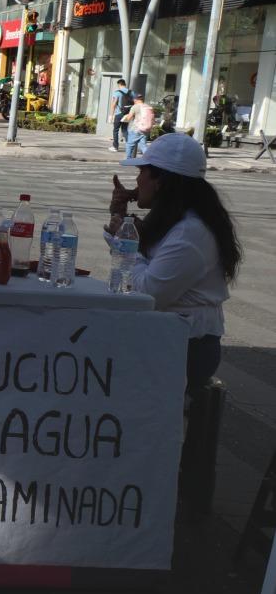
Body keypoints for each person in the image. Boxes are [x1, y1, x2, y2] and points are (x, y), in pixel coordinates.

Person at [108, 133, 241, 389]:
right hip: (167, 337)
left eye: (142, 172)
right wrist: (120, 219)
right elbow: (141, 259)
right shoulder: (173, 219)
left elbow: (149, 292)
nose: (137, 180)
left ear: (160, 180)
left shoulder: (190, 232)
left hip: (186, 347)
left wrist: (125, 243)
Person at [122, 92, 154, 160]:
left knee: (130, 144)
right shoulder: (148, 106)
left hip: (136, 129)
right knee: (143, 145)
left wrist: (125, 117)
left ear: (135, 99)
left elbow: (129, 118)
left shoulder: (135, 106)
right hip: (145, 129)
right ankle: (149, 158)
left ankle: (128, 159)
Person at [108, 78, 132, 153]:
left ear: (119, 84)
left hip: (119, 114)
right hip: (127, 114)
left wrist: (111, 115)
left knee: (115, 130)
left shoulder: (117, 92)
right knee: (125, 130)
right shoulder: (130, 92)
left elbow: (113, 104)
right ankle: (131, 146)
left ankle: (115, 147)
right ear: (125, 84)